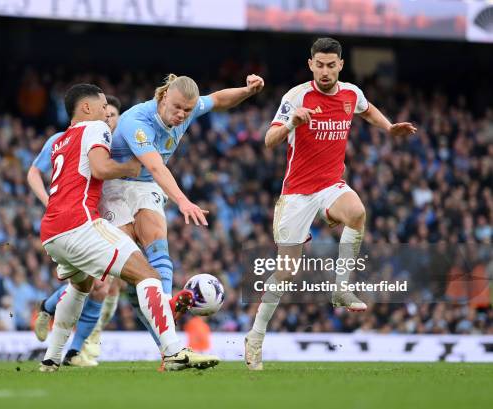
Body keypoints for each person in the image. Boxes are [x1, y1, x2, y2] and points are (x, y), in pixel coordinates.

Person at [244, 37, 417, 371]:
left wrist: (388, 127)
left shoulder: (351, 93)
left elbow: (366, 110)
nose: (325, 71)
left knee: (357, 213)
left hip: (331, 185)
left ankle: (341, 289)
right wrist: (293, 121)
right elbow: (268, 140)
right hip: (296, 193)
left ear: (340, 65)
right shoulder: (296, 97)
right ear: (311, 64)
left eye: (330, 65)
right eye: (319, 65)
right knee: (286, 272)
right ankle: (255, 337)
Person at [39, 83, 219, 372]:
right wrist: (129, 168)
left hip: (51, 231)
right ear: (86, 108)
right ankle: (173, 352)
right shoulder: (96, 129)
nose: (109, 114)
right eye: (102, 106)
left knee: (80, 287)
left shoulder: (61, 140)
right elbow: (100, 169)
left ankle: (51, 359)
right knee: (147, 275)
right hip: (80, 224)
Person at [102, 73, 264, 352]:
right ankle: (52, 312)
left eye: (187, 110)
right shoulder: (137, 122)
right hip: (112, 186)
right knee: (125, 278)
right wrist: (183, 201)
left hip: (145, 185)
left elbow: (218, 99)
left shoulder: (188, 109)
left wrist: (246, 92)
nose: (181, 115)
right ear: (163, 97)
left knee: (157, 246)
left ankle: (167, 318)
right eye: (176, 107)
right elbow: (155, 166)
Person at [27, 96, 123, 367]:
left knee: (102, 286)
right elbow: (34, 172)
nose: (109, 118)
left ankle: (73, 343)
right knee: (99, 283)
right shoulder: (65, 137)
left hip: (111, 215)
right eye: (107, 111)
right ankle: (74, 350)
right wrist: (49, 202)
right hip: (80, 217)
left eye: (114, 114)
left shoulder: (118, 142)